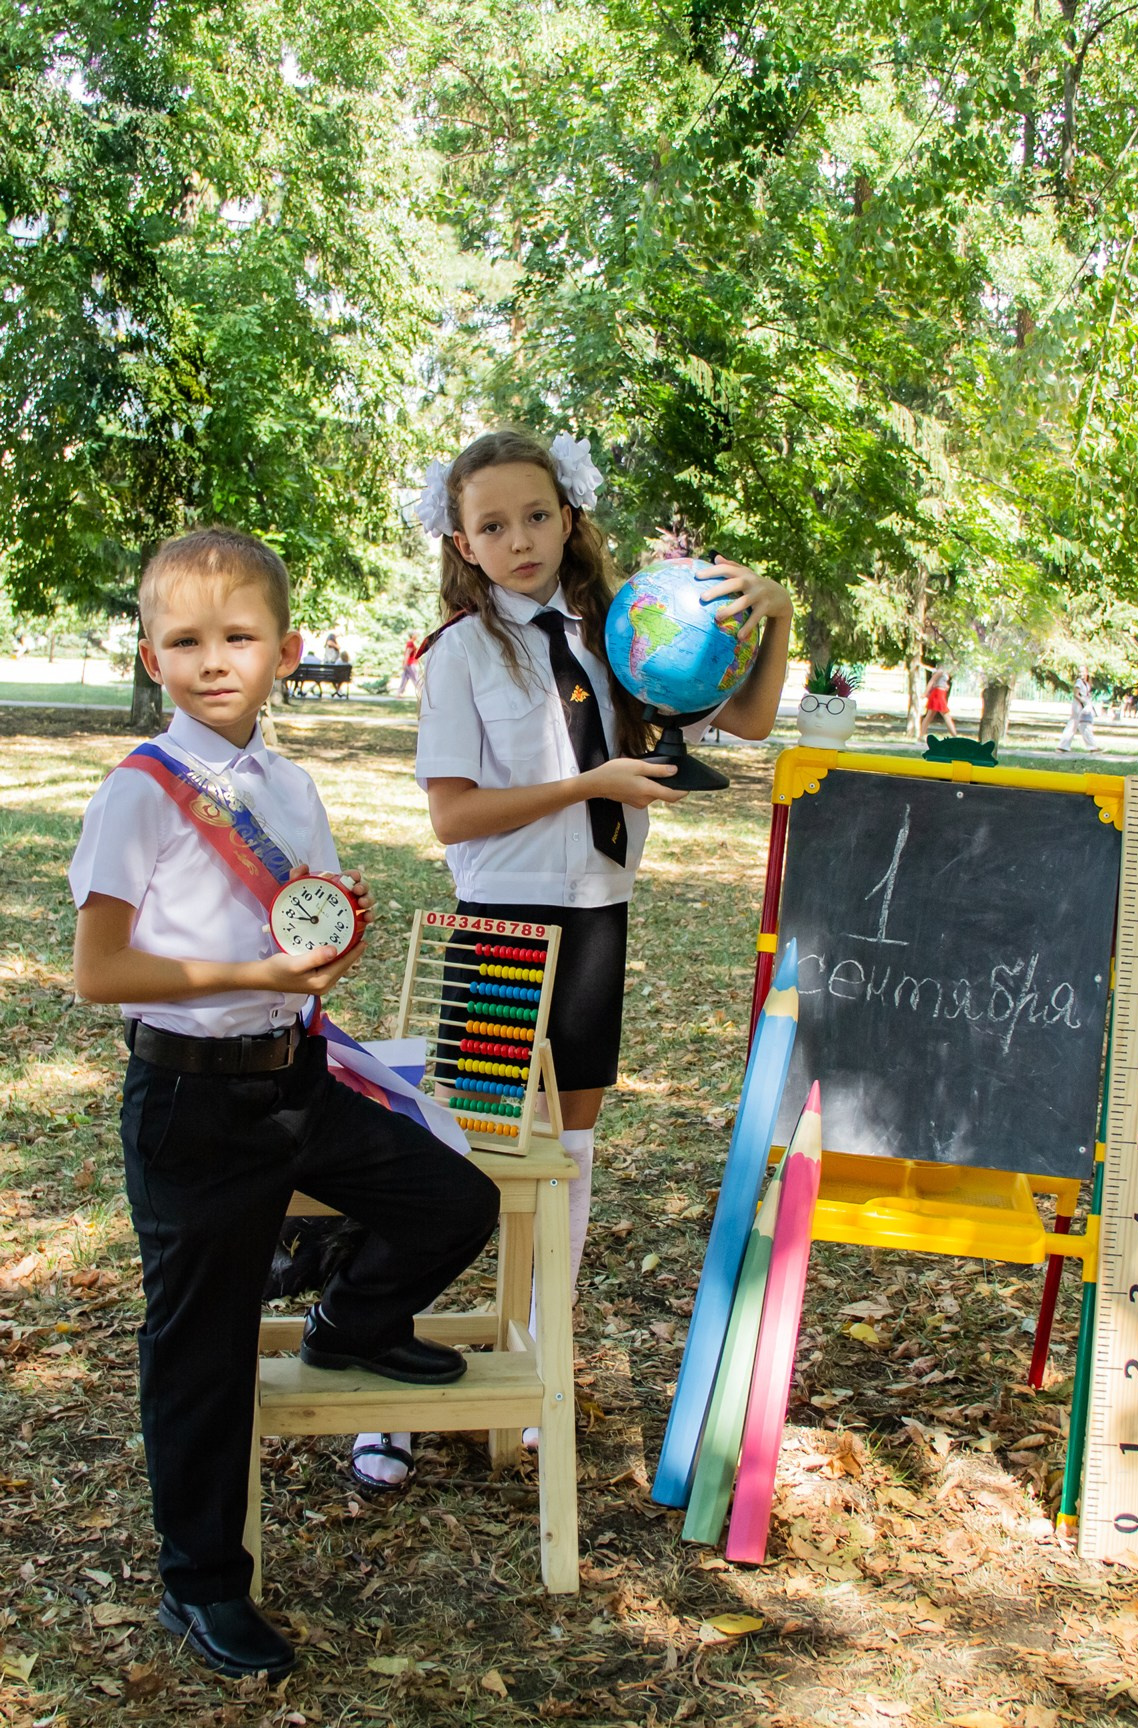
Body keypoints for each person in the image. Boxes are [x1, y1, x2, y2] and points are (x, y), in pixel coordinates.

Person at [68, 527, 500, 1678]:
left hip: (294, 1076)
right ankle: (201, 1586)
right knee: (200, 1352)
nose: (215, 659)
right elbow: (98, 973)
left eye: (240, 637)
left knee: (452, 1202)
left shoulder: (291, 785)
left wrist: (324, 932)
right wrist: (258, 974)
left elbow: (296, 925)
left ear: (287, 650)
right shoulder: (140, 792)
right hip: (191, 1102)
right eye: (186, 640)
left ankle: (345, 1320)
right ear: (152, 654)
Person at [337, 427, 792, 1485]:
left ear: (570, 515)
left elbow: (753, 721)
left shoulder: (626, 633)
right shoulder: (457, 651)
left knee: (569, 1162)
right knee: (463, 1159)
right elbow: (454, 818)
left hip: (596, 920)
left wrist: (773, 614)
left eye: (536, 515)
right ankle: (381, 1365)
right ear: (461, 539)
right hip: (501, 924)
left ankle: (539, 1361)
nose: (520, 539)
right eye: (492, 524)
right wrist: (589, 787)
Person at [1058, 666, 1099, 753]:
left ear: (1087, 672)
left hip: (1083, 705)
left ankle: (1063, 746)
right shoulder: (1079, 682)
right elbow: (1076, 695)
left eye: (1083, 672)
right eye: (1079, 672)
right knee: (1080, 724)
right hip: (1078, 705)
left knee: (1075, 725)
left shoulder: (1086, 683)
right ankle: (1092, 747)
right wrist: (1084, 702)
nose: (1081, 674)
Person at [919, 665, 956, 738]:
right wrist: (925, 693)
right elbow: (932, 681)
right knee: (946, 715)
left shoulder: (944, 671)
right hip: (938, 694)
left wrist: (946, 686)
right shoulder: (940, 671)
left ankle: (920, 736)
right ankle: (955, 737)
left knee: (929, 716)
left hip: (941, 694)